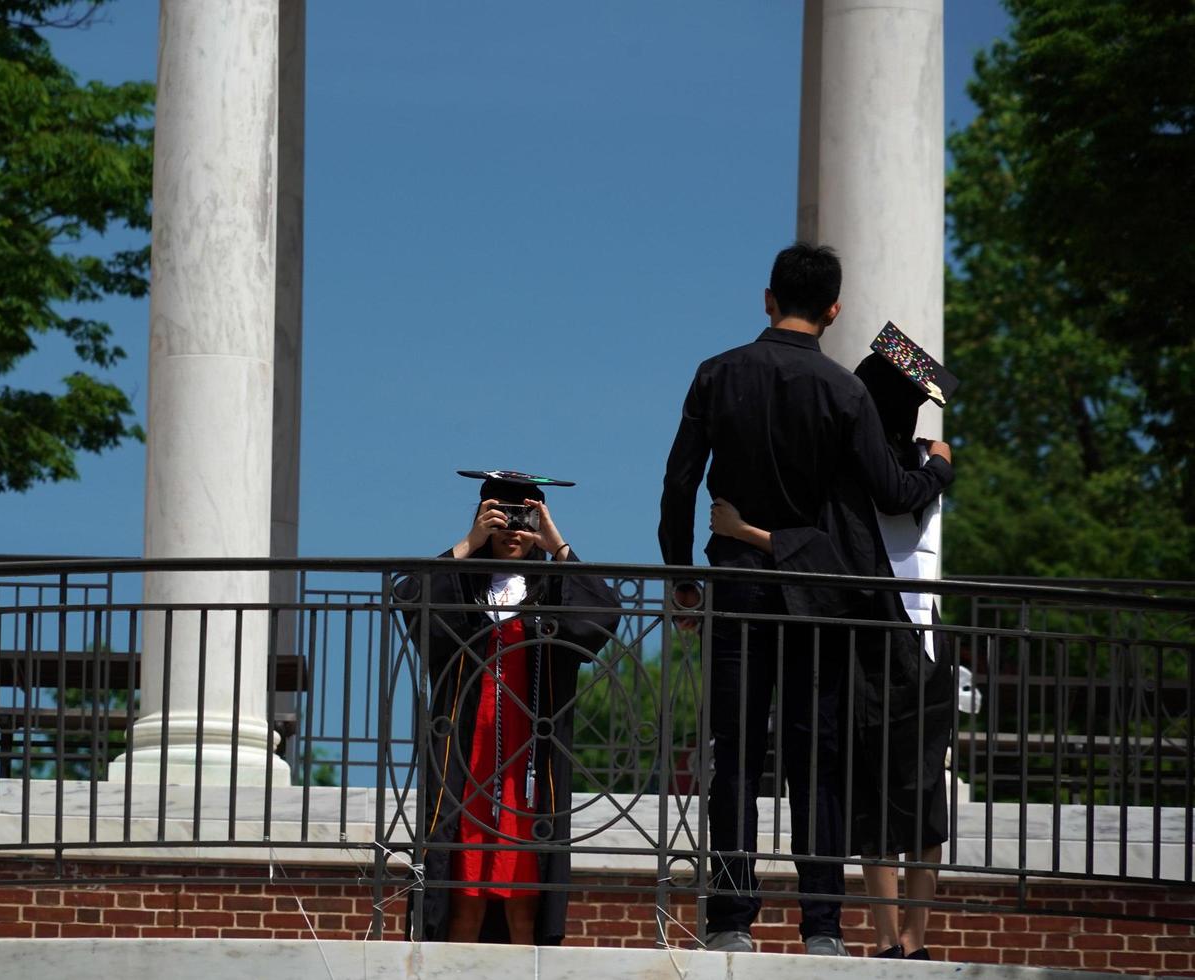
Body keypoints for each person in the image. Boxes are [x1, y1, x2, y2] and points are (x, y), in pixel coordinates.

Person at [657, 243, 955, 956]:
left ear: (767, 298)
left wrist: (683, 579)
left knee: (734, 757)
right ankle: (821, 926)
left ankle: (731, 919)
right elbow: (891, 491)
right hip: (815, 604)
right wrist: (939, 467)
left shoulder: (716, 374)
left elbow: (678, 486)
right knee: (813, 761)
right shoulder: (845, 394)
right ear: (834, 310)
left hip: (735, 588)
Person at [400, 470, 620, 945]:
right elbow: (410, 598)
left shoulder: (548, 591)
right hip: (467, 757)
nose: (513, 531)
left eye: (525, 519)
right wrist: (468, 541)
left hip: (529, 762)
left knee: (524, 903)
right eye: (503, 519)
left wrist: (557, 541)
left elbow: (602, 615)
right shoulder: (466, 588)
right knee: (464, 901)